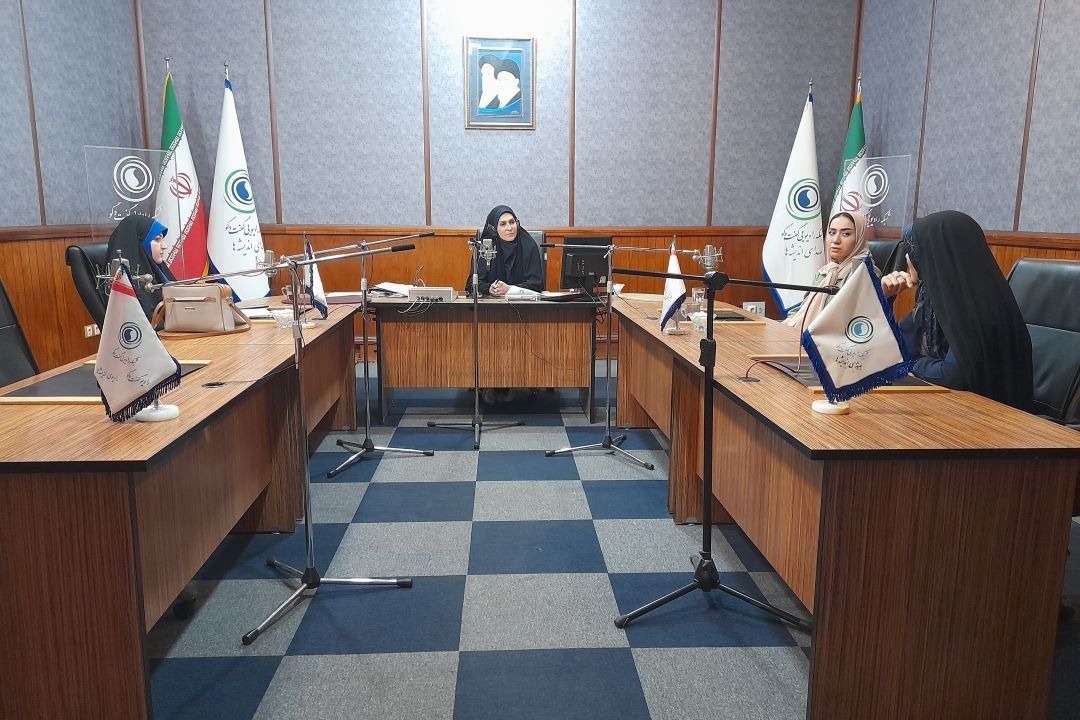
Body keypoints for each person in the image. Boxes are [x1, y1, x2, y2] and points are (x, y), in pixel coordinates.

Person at [880, 210, 1033, 411]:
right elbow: (895, 349)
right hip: (950, 408)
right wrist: (886, 298)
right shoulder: (933, 296)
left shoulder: (980, 305)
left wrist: (911, 363)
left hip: (991, 418)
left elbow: (953, 376)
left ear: (935, 254)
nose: (908, 260)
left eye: (913, 251)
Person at [784, 211, 870, 328]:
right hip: (804, 331)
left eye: (846, 234)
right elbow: (804, 307)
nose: (836, 240)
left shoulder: (864, 272)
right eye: (831, 233)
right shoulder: (825, 272)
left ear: (859, 238)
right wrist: (788, 323)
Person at [466, 205, 544, 297]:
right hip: (491, 303)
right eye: (503, 224)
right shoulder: (485, 246)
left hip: (523, 303)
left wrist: (509, 289)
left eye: (512, 222)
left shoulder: (529, 245)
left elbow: (536, 284)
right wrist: (489, 288)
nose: (509, 228)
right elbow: (472, 285)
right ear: (493, 229)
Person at [105, 214, 172, 321]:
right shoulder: (132, 283)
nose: (164, 246)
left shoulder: (158, 269)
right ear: (140, 243)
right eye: (157, 239)